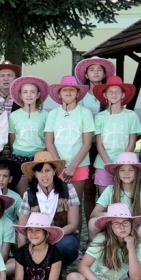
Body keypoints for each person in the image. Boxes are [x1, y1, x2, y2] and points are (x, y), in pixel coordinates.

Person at [87, 155, 141, 280]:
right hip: (114, 229)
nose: (126, 173)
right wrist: (113, 215)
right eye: (122, 170)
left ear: (137, 172)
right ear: (117, 173)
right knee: (92, 223)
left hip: (135, 231)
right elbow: (94, 213)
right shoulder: (110, 190)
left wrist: (128, 229)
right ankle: (97, 260)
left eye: (130, 170)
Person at [2, 213, 75, 280]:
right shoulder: (21, 252)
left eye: (38, 230)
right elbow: (18, 279)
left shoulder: (55, 253)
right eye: (30, 230)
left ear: (47, 234)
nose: (33, 234)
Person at [43, 76, 95, 222]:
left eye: (72, 90)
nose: (68, 92)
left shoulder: (85, 113)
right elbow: (49, 142)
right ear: (59, 94)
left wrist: (73, 166)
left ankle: (75, 236)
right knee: (58, 204)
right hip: (57, 165)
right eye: (64, 90)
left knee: (75, 204)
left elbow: (87, 143)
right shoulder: (53, 114)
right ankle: (59, 234)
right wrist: (59, 165)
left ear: (77, 94)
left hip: (79, 164)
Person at [16, 152, 81, 267]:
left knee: (67, 245)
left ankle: (60, 266)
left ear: (54, 171)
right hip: (37, 238)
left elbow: (73, 224)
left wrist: (53, 236)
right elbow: (22, 227)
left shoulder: (68, 189)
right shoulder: (29, 195)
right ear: (35, 174)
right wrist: (22, 256)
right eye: (40, 171)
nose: (44, 175)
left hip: (63, 236)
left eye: (47, 170)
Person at [91, 76, 140, 194]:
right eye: (110, 92)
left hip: (125, 165)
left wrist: (121, 163)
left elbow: (132, 143)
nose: (114, 94)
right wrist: (109, 164)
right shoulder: (100, 117)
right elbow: (99, 145)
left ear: (123, 95)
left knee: (125, 197)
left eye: (117, 91)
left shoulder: (131, 115)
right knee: (105, 198)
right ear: (105, 95)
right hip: (103, 164)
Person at [6, 76, 49, 193]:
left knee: (40, 193)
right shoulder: (14, 115)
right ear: (20, 95)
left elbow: (48, 138)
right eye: (25, 92)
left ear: (38, 95)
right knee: (23, 194)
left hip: (39, 157)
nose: (29, 95)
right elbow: (12, 138)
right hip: (19, 156)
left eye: (32, 92)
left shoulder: (46, 115)